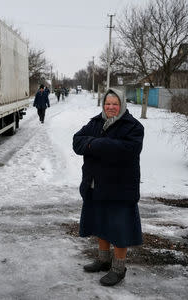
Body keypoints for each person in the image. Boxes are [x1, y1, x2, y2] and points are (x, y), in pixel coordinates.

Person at [72, 88, 144, 287]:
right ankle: (103, 260)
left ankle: (118, 269)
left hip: (120, 188)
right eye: (107, 104)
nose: (111, 107)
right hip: (96, 185)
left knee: (120, 230)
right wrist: (98, 144)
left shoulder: (133, 127)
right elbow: (77, 142)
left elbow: (127, 150)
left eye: (115, 104)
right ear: (103, 105)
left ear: (122, 105)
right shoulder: (95, 122)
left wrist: (94, 144)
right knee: (100, 223)